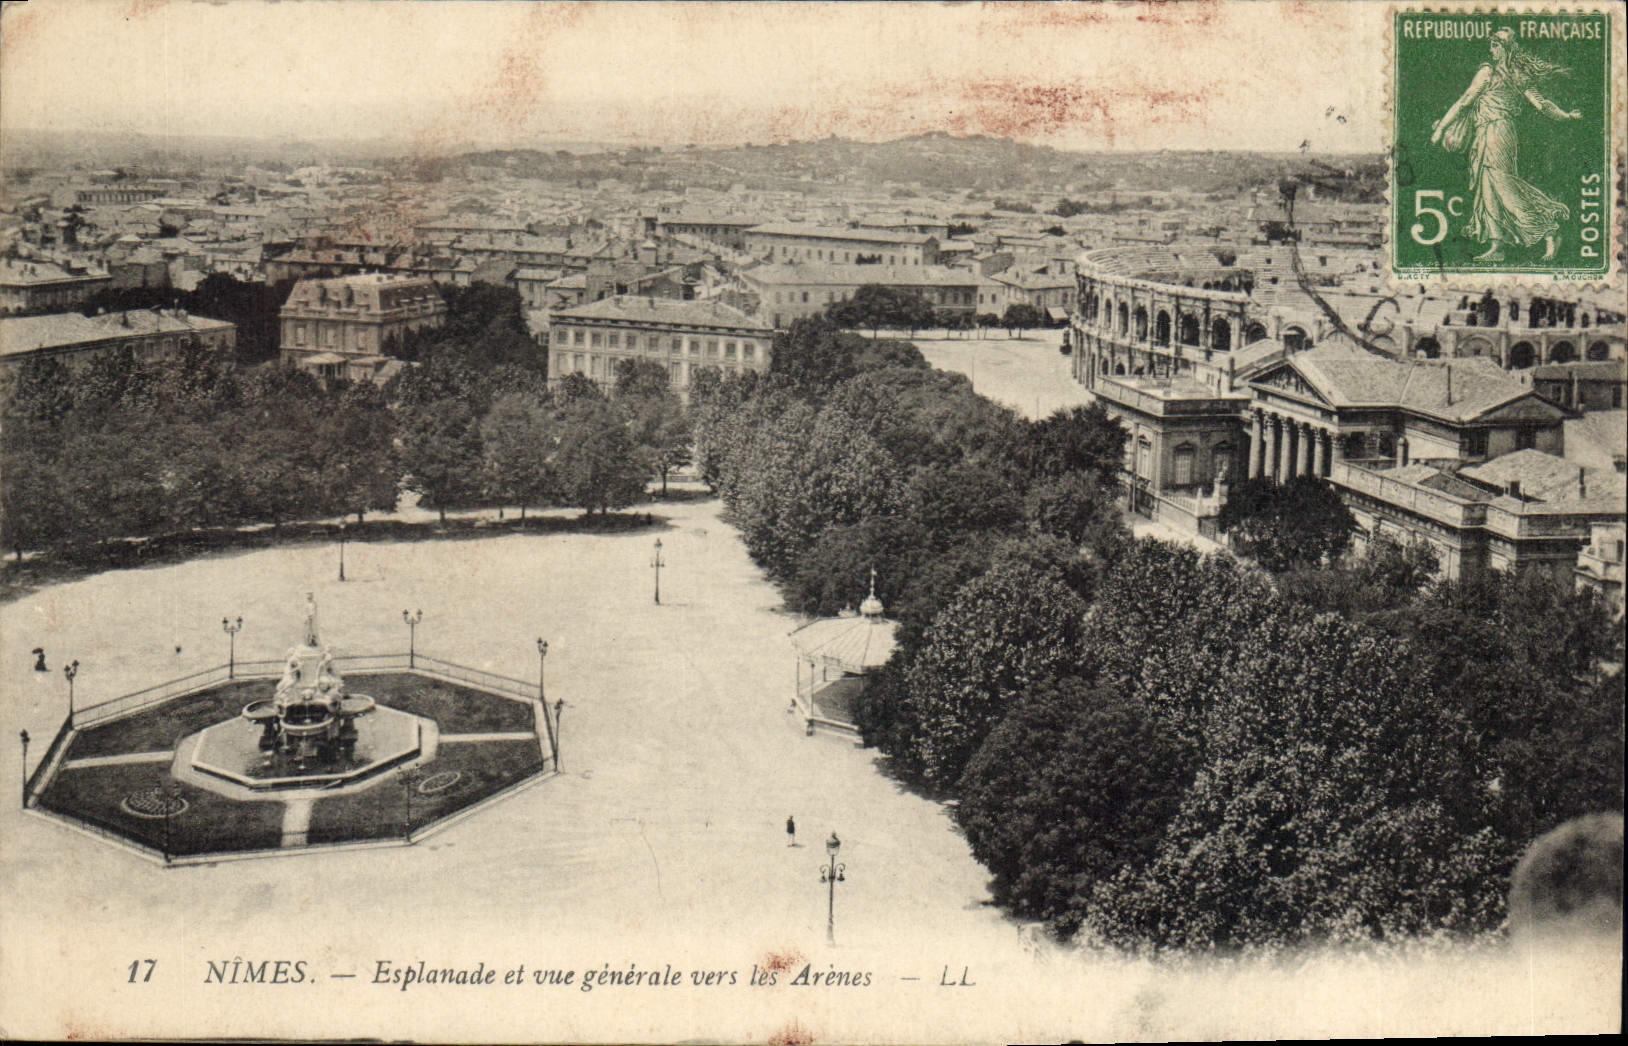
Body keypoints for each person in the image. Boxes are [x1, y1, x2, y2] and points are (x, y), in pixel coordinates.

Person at [1431, 27, 1581, 262]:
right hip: (1486, 133)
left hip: (1498, 133)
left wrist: (1441, 129)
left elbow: (1464, 101)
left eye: (1495, 45)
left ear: (1506, 48)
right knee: (1487, 188)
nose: (1491, 49)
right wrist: (1566, 115)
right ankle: (1497, 245)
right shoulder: (1513, 74)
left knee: (1503, 186)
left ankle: (1549, 230)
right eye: (1491, 45)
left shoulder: (1489, 73)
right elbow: (1543, 105)